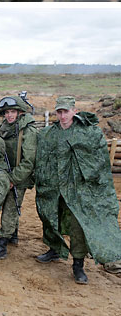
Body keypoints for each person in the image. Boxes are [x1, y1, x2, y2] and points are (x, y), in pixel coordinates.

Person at [35, 96, 121, 283]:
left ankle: (78, 265)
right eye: (59, 112)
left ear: (74, 110)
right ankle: (54, 249)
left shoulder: (88, 133)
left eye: (66, 111)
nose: (63, 115)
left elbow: (98, 161)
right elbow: (41, 159)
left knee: (77, 227)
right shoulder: (49, 134)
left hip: (78, 190)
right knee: (51, 218)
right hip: (54, 188)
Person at [0, 94, 37, 260]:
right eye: (6, 112)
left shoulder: (28, 131)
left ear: (20, 112)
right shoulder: (5, 128)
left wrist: (13, 179)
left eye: (12, 111)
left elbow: (29, 162)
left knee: (10, 209)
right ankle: (13, 235)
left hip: (19, 177)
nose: (9, 115)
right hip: (5, 174)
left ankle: (2, 245)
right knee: (8, 205)